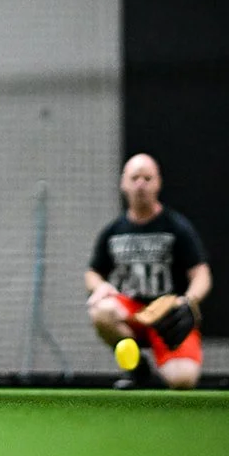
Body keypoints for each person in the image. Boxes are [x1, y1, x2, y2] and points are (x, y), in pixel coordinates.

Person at [85, 153, 211, 390]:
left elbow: (201, 274)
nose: (141, 184)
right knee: (101, 310)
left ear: (158, 183)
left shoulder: (177, 227)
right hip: (132, 312)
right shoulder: (113, 231)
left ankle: (163, 368)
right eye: (135, 178)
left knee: (183, 381)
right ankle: (137, 368)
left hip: (167, 316)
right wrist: (101, 287)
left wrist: (188, 302)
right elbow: (93, 272)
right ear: (123, 183)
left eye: (147, 178)